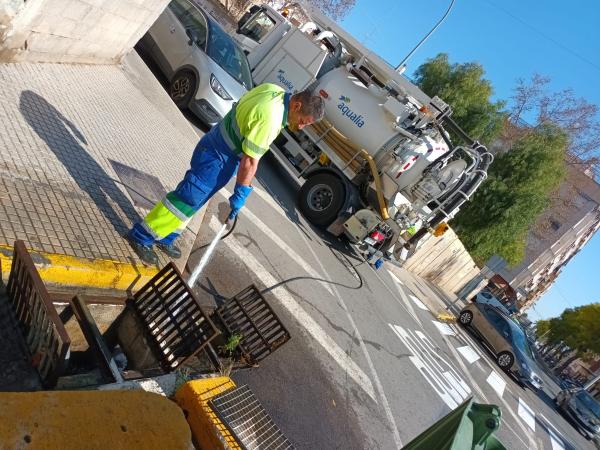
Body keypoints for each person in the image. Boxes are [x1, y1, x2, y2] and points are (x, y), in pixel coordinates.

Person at [127, 83, 325, 265]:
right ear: (297, 105)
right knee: (186, 199)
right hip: (218, 157)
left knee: (195, 200)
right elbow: (250, 161)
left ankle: (167, 236)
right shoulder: (271, 119)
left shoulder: (274, 90)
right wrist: (240, 193)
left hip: (217, 146)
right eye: (302, 122)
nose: (301, 127)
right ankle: (142, 236)